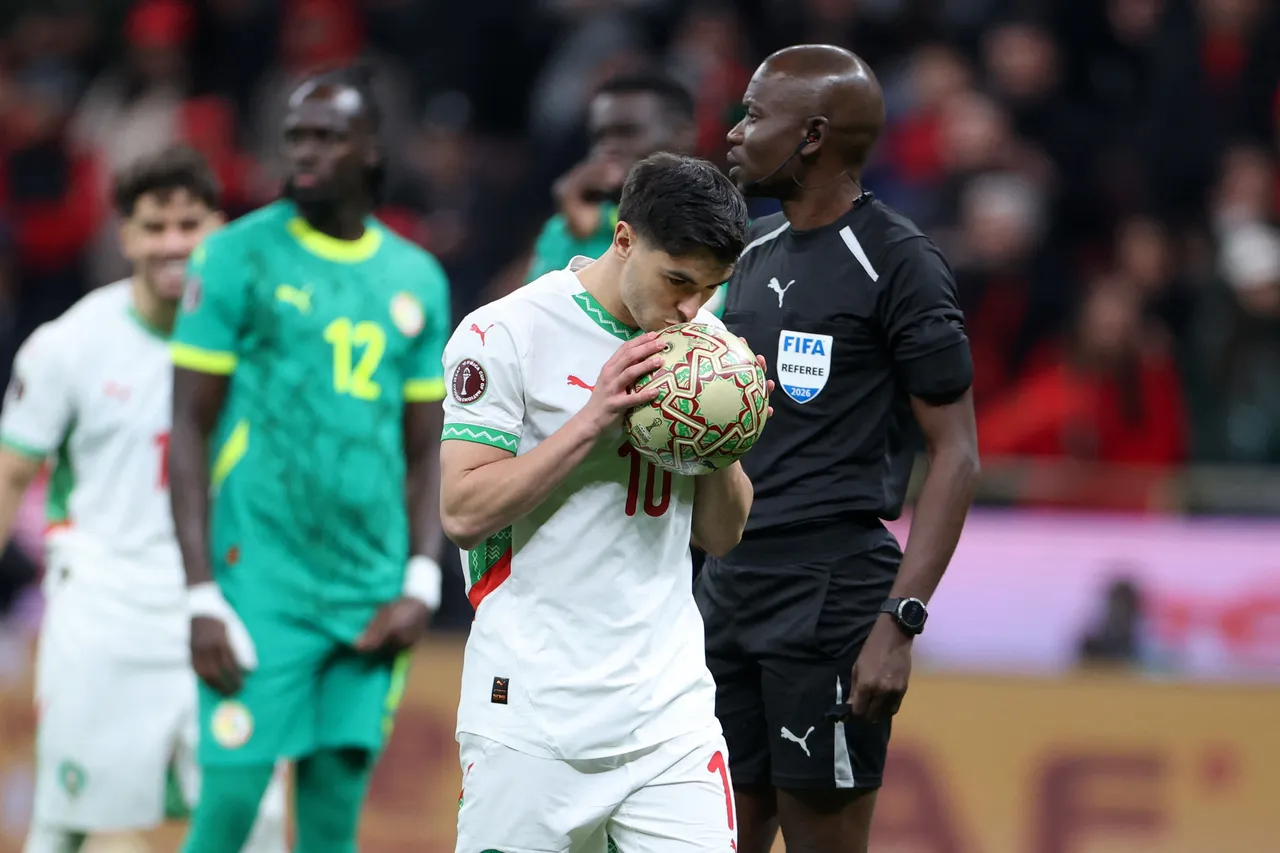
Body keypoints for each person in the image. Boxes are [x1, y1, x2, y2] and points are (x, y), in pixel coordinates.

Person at [696, 45, 981, 853]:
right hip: (728, 584)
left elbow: (956, 453)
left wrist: (900, 621)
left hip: (829, 593)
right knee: (718, 835)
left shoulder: (896, 260)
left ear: (814, 135)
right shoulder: (745, 254)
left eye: (754, 115)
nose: (734, 132)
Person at [443, 152, 763, 853]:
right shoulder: (506, 332)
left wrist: (726, 433)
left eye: (709, 289)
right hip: (530, 707)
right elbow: (463, 512)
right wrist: (591, 421)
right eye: (677, 279)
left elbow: (721, 534)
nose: (690, 308)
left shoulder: (704, 346)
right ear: (623, 239)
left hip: (667, 713)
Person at [167, 67, 451, 853]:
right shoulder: (233, 258)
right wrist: (200, 593)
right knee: (222, 819)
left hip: (369, 590)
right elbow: (187, 431)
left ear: (370, 150)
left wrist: (421, 579)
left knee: (331, 827)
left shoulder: (416, 277)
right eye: (296, 136)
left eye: (328, 136)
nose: (306, 151)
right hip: (260, 583)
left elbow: (427, 446)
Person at [0, 147, 287, 853]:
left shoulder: (266, 341)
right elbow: (11, 474)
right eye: (153, 226)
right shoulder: (67, 346)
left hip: (235, 612)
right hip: (105, 614)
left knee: (256, 825)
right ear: (124, 235)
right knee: (83, 827)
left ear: (219, 228)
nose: (172, 243)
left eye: (189, 223)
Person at [525, 71, 698, 283]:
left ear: (683, 136)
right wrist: (577, 236)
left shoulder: (723, 229)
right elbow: (538, 312)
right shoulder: (569, 226)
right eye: (600, 137)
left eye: (627, 132)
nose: (608, 148)